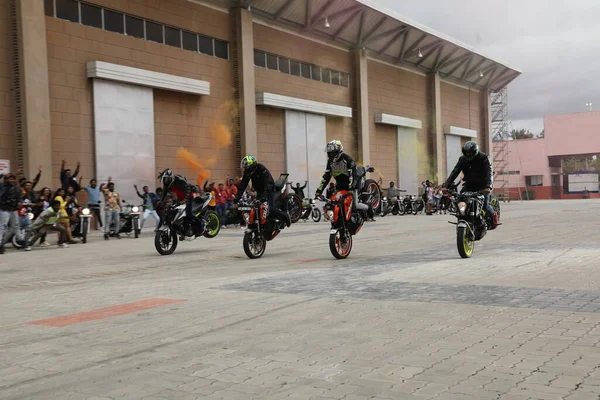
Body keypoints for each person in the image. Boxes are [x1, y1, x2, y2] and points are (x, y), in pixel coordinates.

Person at [444, 141, 497, 228]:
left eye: (470, 152)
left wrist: (488, 186)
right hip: (469, 184)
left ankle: (493, 218)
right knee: (461, 200)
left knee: (485, 206)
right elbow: (455, 172)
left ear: (475, 151)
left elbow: (489, 172)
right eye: (467, 152)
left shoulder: (484, 157)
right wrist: (446, 186)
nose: (469, 154)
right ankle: (462, 218)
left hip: (483, 185)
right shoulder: (462, 159)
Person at [315, 140, 370, 216]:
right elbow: (326, 177)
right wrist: (319, 191)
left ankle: (368, 208)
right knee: (335, 204)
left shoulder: (347, 159)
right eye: (329, 153)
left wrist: (351, 188)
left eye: (333, 152)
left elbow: (353, 175)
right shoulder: (330, 162)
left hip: (351, 185)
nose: (331, 154)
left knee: (355, 205)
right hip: (340, 186)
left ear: (339, 150)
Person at [234, 155, 291, 227]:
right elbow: (243, 185)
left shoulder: (261, 169)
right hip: (259, 191)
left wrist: (265, 195)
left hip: (269, 190)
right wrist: (237, 197)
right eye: (245, 168)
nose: (246, 169)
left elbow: (268, 182)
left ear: (252, 165)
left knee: (269, 209)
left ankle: (285, 216)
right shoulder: (247, 172)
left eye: (247, 168)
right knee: (256, 208)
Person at [158, 169, 204, 234]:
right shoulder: (167, 184)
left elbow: (188, 189)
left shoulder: (179, 180)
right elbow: (164, 193)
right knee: (173, 211)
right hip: (180, 198)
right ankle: (182, 226)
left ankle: (201, 224)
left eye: (166, 179)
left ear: (170, 177)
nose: (165, 181)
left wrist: (185, 200)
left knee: (189, 213)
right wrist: (161, 201)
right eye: (164, 180)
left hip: (188, 197)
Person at [0, 173, 22, 254]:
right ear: (6, 179)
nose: (11, 180)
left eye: (13, 179)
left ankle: (20, 240)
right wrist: (2, 174)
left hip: (14, 209)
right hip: (4, 209)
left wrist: (20, 202)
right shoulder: (2, 186)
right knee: (3, 226)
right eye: (10, 179)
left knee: (16, 225)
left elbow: (19, 197)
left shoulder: (16, 188)